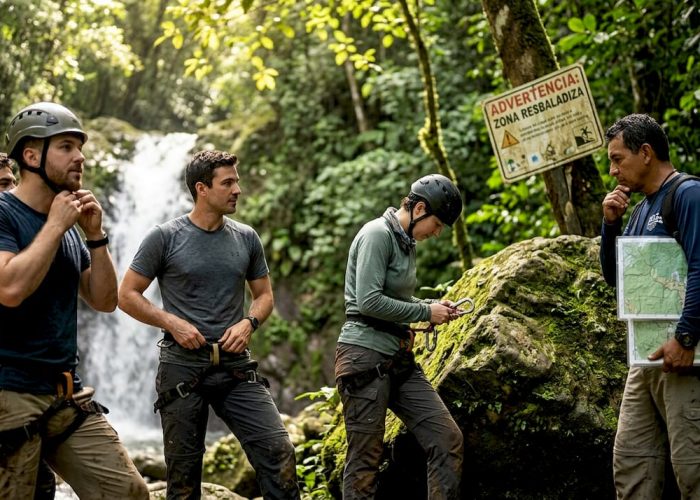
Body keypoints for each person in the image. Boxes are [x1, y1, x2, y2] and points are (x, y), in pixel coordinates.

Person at [118, 150, 300, 499]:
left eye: (237, 181)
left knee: (279, 452)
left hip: (236, 368)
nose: (238, 189)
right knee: (184, 481)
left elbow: (264, 297)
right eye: (228, 182)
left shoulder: (246, 237)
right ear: (202, 188)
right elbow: (126, 295)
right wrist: (173, 323)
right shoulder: (165, 237)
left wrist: (249, 323)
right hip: (182, 370)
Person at [0, 102, 149, 499]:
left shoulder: (68, 226)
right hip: (10, 394)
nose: (80, 157)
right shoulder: (5, 213)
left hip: (66, 394)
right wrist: (55, 225)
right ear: (31, 156)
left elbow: (104, 300)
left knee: (130, 493)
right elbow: (9, 289)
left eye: (80, 147)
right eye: (66, 146)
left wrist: (95, 236)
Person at [335, 173, 466, 499]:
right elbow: (368, 301)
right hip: (362, 356)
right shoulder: (377, 234)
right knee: (365, 459)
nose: (437, 233)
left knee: (447, 438)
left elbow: (397, 301)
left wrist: (432, 307)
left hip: (396, 358)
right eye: (436, 224)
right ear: (419, 208)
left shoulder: (406, 243)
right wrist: (425, 313)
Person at [599, 113, 700, 499]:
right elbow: (616, 278)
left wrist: (686, 336)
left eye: (617, 158)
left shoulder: (687, 194)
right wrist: (610, 225)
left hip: (682, 357)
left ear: (645, 153)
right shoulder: (640, 208)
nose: (612, 171)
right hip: (644, 360)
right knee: (631, 462)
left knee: (692, 469)